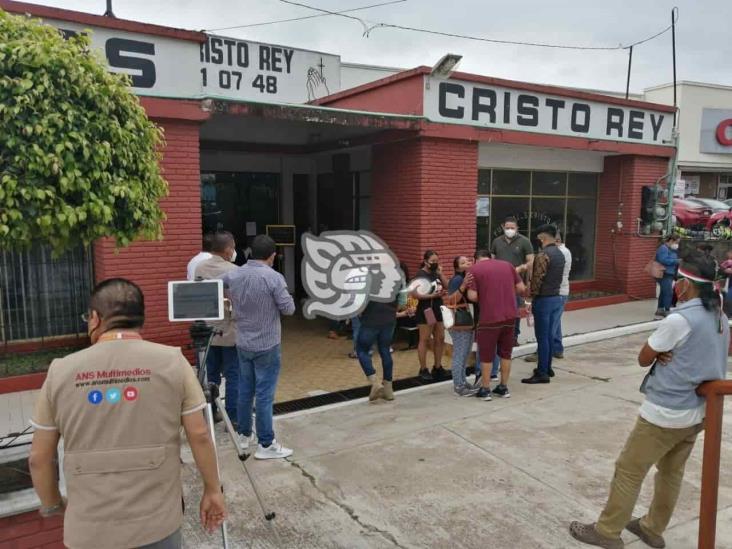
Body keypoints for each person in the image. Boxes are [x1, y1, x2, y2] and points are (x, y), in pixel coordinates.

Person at [28, 279, 226, 549]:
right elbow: (200, 435)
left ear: (96, 318)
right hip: (158, 526)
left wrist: (52, 505)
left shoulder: (60, 370)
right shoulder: (172, 361)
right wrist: (213, 490)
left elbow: (39, 458)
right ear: (140, 320)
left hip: (89, 530)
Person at [569, 251, 729, 549]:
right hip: (699, 412)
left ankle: (607, 531)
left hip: (666, 411)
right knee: (671, 472)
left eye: (679, 281)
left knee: (629, 468)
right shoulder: (718, 315)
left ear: (686, 284)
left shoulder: (680, 318)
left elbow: (644, 357)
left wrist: (663, 352)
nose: (676, 286)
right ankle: (652, 528)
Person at [222, 235, 296, 460]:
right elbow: (289, 309)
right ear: (272, 256)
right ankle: (266, 443)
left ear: (251, 252)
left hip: (243, 342)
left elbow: (218, 287)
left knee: (246, 390)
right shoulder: (274, 278)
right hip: (267, 344)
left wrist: (231, 301)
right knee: (264, 395)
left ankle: (244, 435)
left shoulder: (233, 274)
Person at [194, 231, 240, 425]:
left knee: (211, 374)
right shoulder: (234, 270)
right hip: (229, 332)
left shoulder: (199, 268)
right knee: (233, 375)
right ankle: (233, 416)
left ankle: (212, 412)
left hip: (206, 331)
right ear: (228, 249)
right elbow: (237, 301)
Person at [467, 249, 525, 400]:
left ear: (476, 259)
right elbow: (521, 288)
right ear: (491, 257)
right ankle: (503, 387)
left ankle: (485, 389)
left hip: (489, 318)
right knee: (506, 353)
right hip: (511, 316)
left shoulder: (474, 269)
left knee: (486, 355)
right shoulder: (507, 265)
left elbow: (472, 296)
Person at [522, 224, 566, 385]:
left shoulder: (543, 255)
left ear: (543, 238)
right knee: (549, 336)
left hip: (544, 300)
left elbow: (537, 279)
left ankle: (542, 372)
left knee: (542, 338)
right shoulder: (561, 254)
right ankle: (547, 368)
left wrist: (530, 298)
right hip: (556, 297)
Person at [357, 282, 414, 402]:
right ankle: (388, 389)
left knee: (362, 350)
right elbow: (402, 302)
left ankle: (375, 382)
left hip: (370, 319)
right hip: (389, 319)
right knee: (385, 350)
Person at [525, 233, 572, 363]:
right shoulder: (562, 251)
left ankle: (543, 354)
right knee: (555, 324)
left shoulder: (559, 253)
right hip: (559, 292)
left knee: (548, 329)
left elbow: (541, 275)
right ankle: (557, 348)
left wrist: (532, 294)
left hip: (555, 293)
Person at [490, 216, 534, 346]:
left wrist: (522, 268)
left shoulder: (524, 241)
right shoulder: (496, 241)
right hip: (499, 282)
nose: (509, 230)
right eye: (507, 227)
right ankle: (500, 335)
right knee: (499, 309)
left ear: (517, 228)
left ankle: (514, 336)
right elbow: (491, 260)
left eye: (512, 228)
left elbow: (531, 261)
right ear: (503, 227)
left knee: (515, 309)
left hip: (516, 281)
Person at [412, 250, 450, 382]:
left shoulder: (436, 273)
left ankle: (438, 366)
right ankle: (423, 368)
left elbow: (448, 286)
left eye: (436, 261)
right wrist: (431, 296)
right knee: (425, 339)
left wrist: (440, 273)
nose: (435, 263)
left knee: (440, 337)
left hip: (437, 307)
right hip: (426, 309)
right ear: (425, 261)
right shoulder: (420, 275)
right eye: (432, 261)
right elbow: (415, 294)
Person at [446, 255, 479, 396]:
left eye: (468, 261)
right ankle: (458, 385)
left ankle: (463, 381)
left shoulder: (467, 277)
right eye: (463, 262)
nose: (467, 263)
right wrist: (463, 285)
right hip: (459, 322)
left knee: (465, 353)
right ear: (457, 267)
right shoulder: (458, 279)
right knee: (460, 353)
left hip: (467, 322)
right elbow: (451, 300)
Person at [654, 235, 680, 318]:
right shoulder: (663, 248)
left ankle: (660, 309)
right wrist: (676, 261)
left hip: (669, 272)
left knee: (664, 292)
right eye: (676, 242)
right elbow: (663, 260)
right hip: (665, 273)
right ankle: (667, 310)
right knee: (668, 292)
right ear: (671, 240)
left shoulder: (670, 249)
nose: (677, 244)